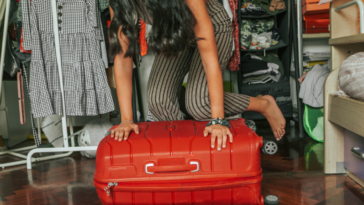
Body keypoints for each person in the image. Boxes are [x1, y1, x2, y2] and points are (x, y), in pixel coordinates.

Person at [109, 0, 286, 151]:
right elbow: (123, 58)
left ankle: (264, 104)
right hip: (173, 32)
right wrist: (126, 120)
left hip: (212, 26)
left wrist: (218, 120)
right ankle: (185, 149)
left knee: (199, 105)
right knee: (158, 101)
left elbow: (210, 62)